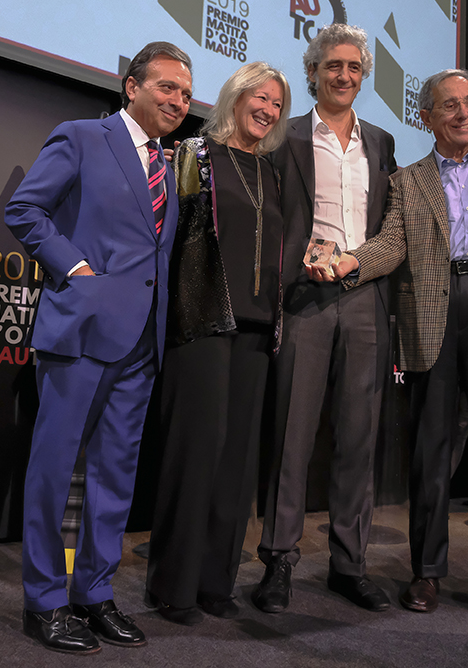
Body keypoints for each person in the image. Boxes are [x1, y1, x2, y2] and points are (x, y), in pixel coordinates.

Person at [329, 69, 468, 631]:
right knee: (431, 450)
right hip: (434, 312)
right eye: (449, 106)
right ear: (425, 117)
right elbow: (392, 245)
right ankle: (426, 571)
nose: (463, 113)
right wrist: (352, 262)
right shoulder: (409, 180)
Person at [5, 42, 193, 653]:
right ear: (131, 86)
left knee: (115, 473)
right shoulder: (83, 136)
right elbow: (26, 207)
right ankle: (44, 601)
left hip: (144, 339)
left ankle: (94, 593)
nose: (178, 101)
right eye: (166, 87)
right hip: (82, 330)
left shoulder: (172, 165)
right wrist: (76, 269)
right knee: (54, 470)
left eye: (186, 95)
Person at [253, 24, 397, 614]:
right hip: (303, 299)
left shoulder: (383, 143)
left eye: (354, 68)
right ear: (313, 72)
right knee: (292, 433)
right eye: (333, 66)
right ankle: (279, 560)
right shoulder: (283, 136)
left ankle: (348, 564)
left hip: (364, 297)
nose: (344, 76)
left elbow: (392, 229)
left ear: (363, 77)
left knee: (359, 438)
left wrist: (355, 266)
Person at [144, 62, 291, 625]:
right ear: (235, 97)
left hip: (256, 333)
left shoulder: (274, 173)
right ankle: (173, 587)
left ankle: (215, 583)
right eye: (260, 97)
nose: (269, 110)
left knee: (234, 465)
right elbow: (169, 239)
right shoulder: (194, 156)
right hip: (202, 324)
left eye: (277, 103)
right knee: (195, 456)